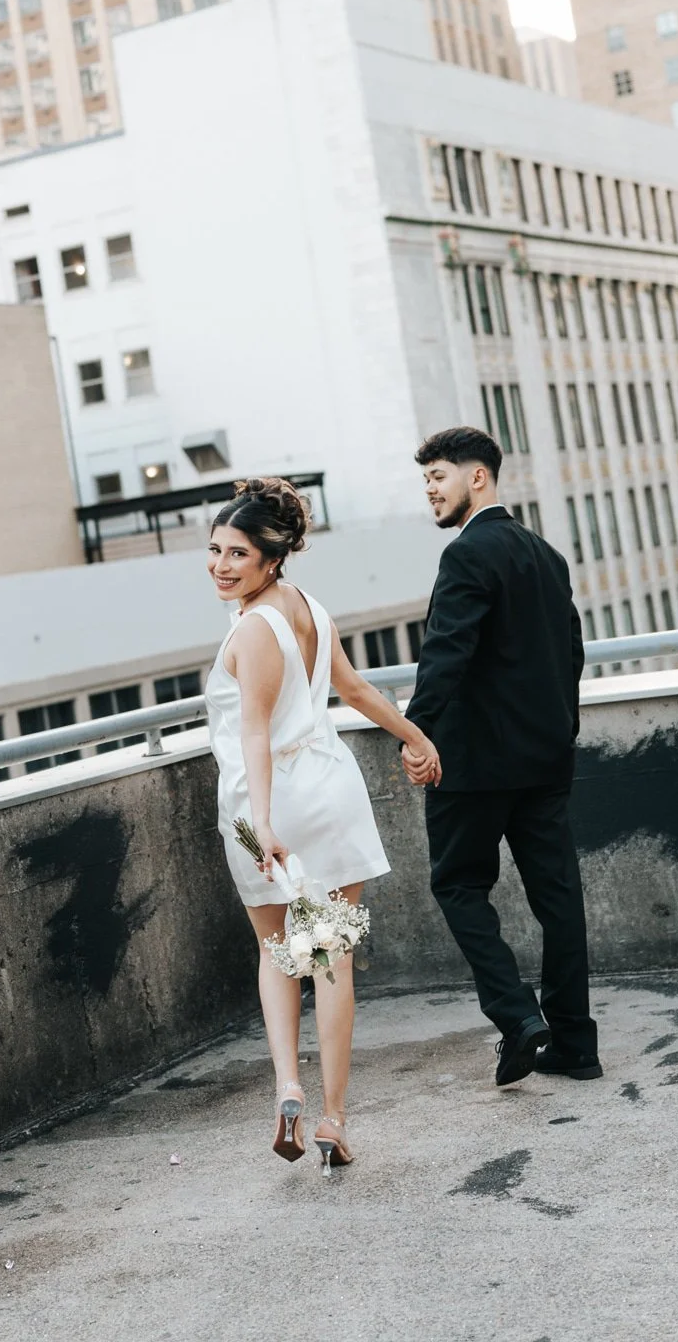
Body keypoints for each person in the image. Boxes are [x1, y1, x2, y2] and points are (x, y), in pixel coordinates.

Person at [204, 476, 442, 1172]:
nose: (220, 565)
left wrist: (264, 821)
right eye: (214, 550)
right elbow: (356, 689)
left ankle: (288, 1089)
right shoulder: (309, 607)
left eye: (236, 554)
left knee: (279, 953)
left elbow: (252, 734)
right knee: (331, 957)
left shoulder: (251, 629)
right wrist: (416, 738)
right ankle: (334, 1117)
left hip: (267, 800)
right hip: (331, 788)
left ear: (270, 558)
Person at [402, 426, 601, 1088]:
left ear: (476, 477)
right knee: (558, 898)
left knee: (458, 885)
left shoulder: (465, 556)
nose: (429, 490)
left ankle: (518, 1018)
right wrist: (560, 729)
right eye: (425, 480)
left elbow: (445, 652)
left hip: (472, 764)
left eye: (437, 476)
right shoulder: (543, 555)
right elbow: (570, 653)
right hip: (543, 759)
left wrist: (415, 731)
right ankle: (574, 1042)